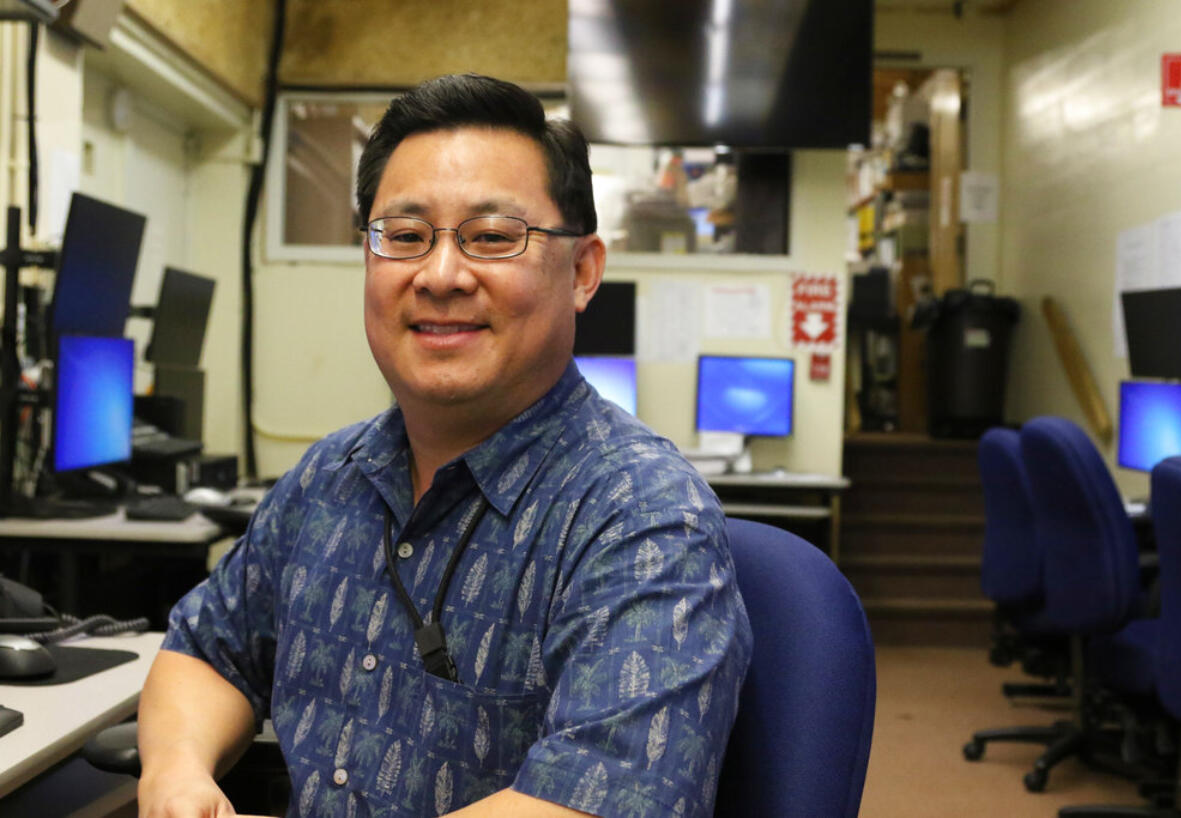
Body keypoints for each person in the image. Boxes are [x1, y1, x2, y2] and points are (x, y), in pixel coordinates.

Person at [137, 73, 752, 818]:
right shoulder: (331, 477)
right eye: (404, 237)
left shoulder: (642, 517)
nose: (440, 275)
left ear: (584, 271)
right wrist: (176, 775)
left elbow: (602, 801)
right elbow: (208, 650)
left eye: (493, 237)